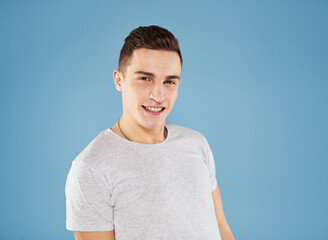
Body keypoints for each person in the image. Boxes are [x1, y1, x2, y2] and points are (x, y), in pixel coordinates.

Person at [65, 25, 235, 240]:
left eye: (169, 81)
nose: (159, 95)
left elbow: (220, 226)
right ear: (119, 80)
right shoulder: (90, 168)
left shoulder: (196, 143)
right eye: (145, 78)